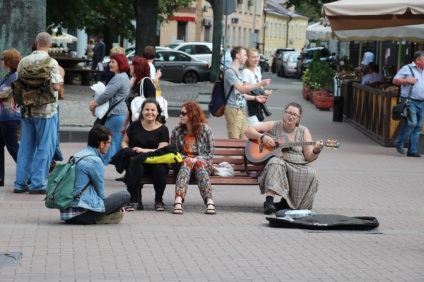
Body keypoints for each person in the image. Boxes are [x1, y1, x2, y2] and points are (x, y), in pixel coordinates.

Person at [244, 102, 324, 214]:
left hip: (297, 162)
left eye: (294, 115)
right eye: (289, 113)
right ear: (284, 113)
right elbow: (248, 131)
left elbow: (309, 157)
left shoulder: (303, 131)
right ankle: (269, 202)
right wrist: (263, 137)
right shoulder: (274, 125)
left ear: (298, 117)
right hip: (279, 160)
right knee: (275, 163)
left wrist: (316, 150)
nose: (291, 116)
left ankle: (287, 204)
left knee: (310, 172)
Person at [13, 32, 63, 194]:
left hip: (27, 110)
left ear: (35, 43)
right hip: (46, 111)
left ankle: (20, 183)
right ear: (50, 45)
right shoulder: (51, 62)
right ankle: (37, 183)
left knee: (26, 146)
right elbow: (56, 87)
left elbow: (18, 81)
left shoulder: (24, 61)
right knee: (44, 147)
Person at [60, 125, 130, 224]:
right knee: (125, 195)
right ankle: (103, 218)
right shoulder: (95, 161)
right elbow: (101, 194)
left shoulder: (77, 155)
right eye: (109, 142)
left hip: (66, 214)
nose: (110, 145)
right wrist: (115, 207)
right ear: (102, 144)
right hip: (82, 215)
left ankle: (106, 217)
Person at [121, 99, 169, 211]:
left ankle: (158, 201)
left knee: (160, 169)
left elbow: (161, 150)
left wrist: (143, 150)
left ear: (158, 112)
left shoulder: (163, 129)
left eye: (153, 110)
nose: (149, 112)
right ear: (142, 111)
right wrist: (126, 150)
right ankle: (131, 200)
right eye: (147, 109)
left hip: (155, 160)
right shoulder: (134, 125)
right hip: (137, 159)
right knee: (135, 166)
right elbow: (125, 141)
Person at [171, 101, 216, 215]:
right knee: (186, 163)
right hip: (182, 165)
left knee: (199, 164)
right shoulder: (177, 130)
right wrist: (186, 158)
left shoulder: (205, 130)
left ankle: (209, 200)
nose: (180, 115)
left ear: (193, 115)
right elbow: (174, 152)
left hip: (203, 165)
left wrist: (197, 159)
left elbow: (210, 153)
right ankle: (178, 201)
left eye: (184, 113)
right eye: (180, 113)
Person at [89, 53, 130, 165]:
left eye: (113, 62)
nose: (110, 64)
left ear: (120, 63)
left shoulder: (119, 78)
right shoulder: (123, 76)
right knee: (113, 140)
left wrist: (95, 103)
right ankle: (108, 161)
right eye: (110, 62)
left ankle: (100, 162)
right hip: (119, 113)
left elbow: (107, 94)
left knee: (104, 138)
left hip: (116, 114)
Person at [224, 46, 271, 139]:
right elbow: (241, 89)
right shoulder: (230, 71)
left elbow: (242, 94)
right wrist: (260, 83)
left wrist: (255, 97)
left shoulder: (237, 71)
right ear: (237, 56)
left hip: (240, 109)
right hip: (233, 109)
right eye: (245, 55)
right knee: (234, 142)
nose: (246, 57)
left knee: (245, 140)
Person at [393, 50, 424, 158]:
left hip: (422, 101)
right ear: (418, 60)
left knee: (418, 126)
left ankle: (412, 150)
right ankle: (399, 142)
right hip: (409, 99)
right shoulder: (407, 68)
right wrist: (407, 81)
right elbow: (395, 80)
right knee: (412, 123)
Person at [0, 48, 22, 187]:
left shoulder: (14, 77)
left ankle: (28, 173)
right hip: (4, 116)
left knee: (12, 146)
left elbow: (3, 94)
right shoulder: (9, 75)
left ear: (9, 61)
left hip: (9, 116)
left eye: (2, 59)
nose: (1, 61)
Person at [121, 56, 156, 134]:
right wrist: (124, 125)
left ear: (138, 67)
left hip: (143, 127)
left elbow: (152, 105)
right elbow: (130, 108)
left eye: (132, 64)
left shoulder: (147, 82)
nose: (130, 66)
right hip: (133, 124)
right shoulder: (135, 83)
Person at [241, 48, 272, 126]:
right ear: (247, 59)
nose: (256, 59)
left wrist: (264, 93)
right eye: (253, 57)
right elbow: (244, 92)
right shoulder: (246, 72)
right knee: (255, 129)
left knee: (258, 128)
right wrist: (255, 97)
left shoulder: (257, 69)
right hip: (250, 106)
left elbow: (260, 87)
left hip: (258, 105)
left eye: (257, 57)